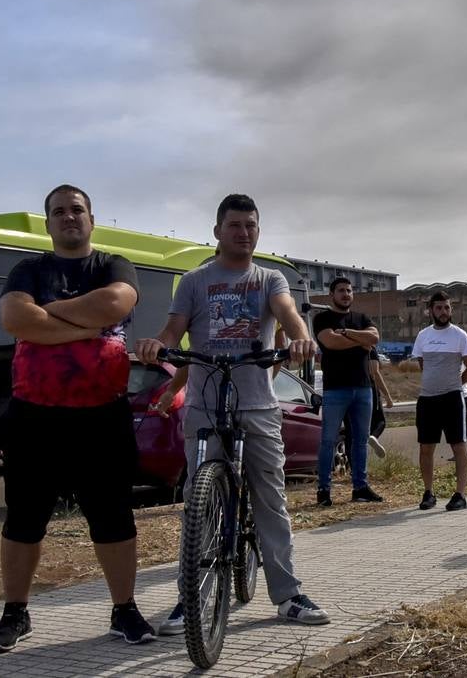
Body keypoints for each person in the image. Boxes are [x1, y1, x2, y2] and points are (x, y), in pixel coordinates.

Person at [136, 194, 330, 631]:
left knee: (270, 498)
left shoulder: (269, 279)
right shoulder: (194, 281)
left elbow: (289, 316)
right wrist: (155, 343)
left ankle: (287, 594)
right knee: (198, 503)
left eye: (251, 226)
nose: (244, 233)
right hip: (204, 404)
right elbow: (173, 329)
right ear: (218, 231)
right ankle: (193, 597)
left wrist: (299, 338)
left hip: (258, 404)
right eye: (235, 225)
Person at [0, 185, 153, 653]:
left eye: (77, 210)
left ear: (91, 220)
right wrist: (84, 325)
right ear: (48, 224)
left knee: (113, 517)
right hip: (33, 418)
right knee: (23, 518)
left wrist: (49, 315)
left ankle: (125, 610)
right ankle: (14, 613)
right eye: (59, 212)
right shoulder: (29, 268)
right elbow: (14, 318)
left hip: (103, 418)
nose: (69, 217)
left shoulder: (113, 265)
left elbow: (114, 304)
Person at [311, 278, 383, 506]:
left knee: (360, 441)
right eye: (341, 290)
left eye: (349, 291)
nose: (346, 294)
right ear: (332, 294)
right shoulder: (322, 318)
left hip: (363, 389)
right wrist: (360, 340)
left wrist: (347, 333)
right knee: (328, 440)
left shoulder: (362, 318)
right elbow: (331, 342)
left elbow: (374, 338)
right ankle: (324, 490)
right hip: (335, 389)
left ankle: (360, 487)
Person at [411, 291, 467, 511]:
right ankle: (429, 492)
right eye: (439, 308)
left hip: (452, 398)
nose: (443, 312)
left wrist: (456, 384)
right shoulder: (423, 336)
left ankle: (460, 494)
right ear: (431, 310)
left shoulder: (459, 335)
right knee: (425, 447)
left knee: (458, 446)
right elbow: (423, 364)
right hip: (427, 399)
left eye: (447, 308)